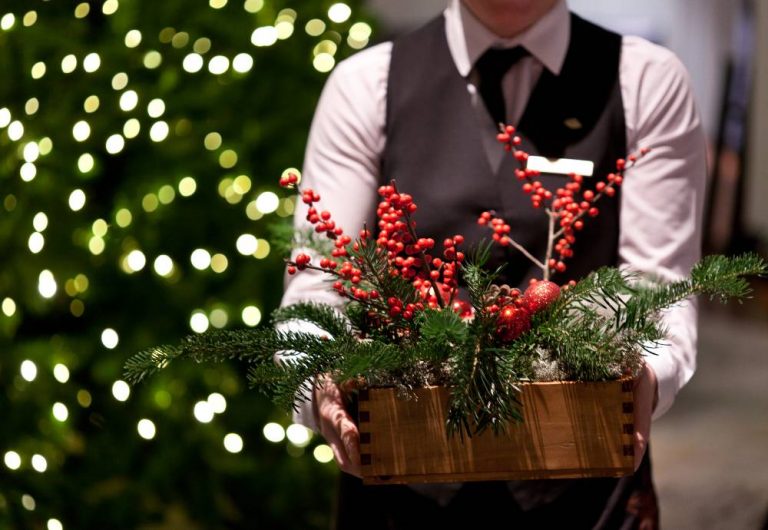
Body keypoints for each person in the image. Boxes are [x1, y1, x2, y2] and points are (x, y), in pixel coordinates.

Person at [281, 0, 706, 527]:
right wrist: (317, 380)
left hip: (586, 495)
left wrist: (644, 376)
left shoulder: (644, 80)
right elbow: (317, 286)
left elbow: (658, 289)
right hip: (401, 487)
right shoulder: (366, 84)